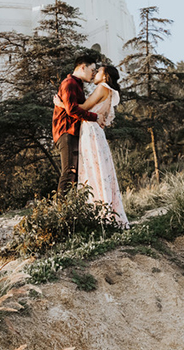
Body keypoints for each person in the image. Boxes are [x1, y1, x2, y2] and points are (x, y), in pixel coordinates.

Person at [54, 65, 129, 228]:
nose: (95, 73)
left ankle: (98, 213)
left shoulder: (102, 88)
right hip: (95, 132)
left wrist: (60, 104)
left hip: (90, 132)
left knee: (92, 170)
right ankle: (105, 210)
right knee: (100, 169)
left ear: (105, 76)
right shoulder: (109, 92)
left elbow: (83, 108)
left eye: (99, 71)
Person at [52, 55, 106, 196]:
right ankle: (60, 211)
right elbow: (73, 110)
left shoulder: (77, 85)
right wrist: (96, 117)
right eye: (92, 69)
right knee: (69, 172)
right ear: (83, 67)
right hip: (67, 131)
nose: (93, 73)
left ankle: (69, 210)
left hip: (72, 132)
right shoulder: (70, 83)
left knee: (75, 174)